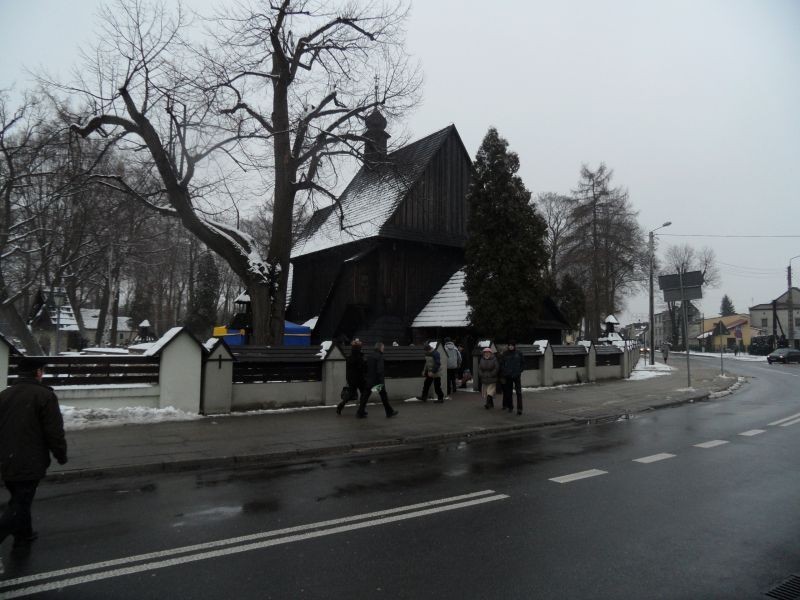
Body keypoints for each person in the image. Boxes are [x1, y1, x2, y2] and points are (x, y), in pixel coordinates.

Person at [0, 356, 67, 570]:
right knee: (20, 503)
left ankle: (24, 535)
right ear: (38, 373)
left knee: (20, 498)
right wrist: (60, 454)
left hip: (6, 459)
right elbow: (53, 431)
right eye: (42, 370)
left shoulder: (4, 395)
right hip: (29, 459)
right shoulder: (44, 396)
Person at [358, 342, 398, 418]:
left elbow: (366, 368)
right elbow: (380, 370)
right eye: (383, 348)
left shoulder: (370, 356)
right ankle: (389, 412)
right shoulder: (380, 356)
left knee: (365, 397)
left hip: (369, 381)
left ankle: (360, 412)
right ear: (380, 348)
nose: (384, 349)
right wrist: (381, 382)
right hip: (377, 382)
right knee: (383, 397)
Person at [337, 338, 366, 416]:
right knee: (364, 393)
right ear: (359, 347)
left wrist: (348, 379)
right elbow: (362, 368)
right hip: (359, 379)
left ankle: (341, 405)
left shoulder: (350, 357)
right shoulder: (359, 357)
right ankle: (361, 410)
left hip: (351, 379)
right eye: (360, 346)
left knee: (351, 394)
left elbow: (349, 369)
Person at [500, 340, 524, 415]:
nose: (510, 346)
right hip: (508, 376)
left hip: (516, 376)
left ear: (514, 346)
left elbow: (523, 364)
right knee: (508, 392)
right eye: (509, 345)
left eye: (512, 345)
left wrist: (519, 371)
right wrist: (505, 372)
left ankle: (519, 409)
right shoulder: (505, 354)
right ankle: (510, 407)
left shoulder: (519, 353)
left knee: (518, 392)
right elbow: (502, 364)